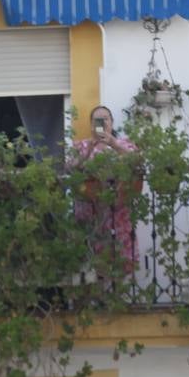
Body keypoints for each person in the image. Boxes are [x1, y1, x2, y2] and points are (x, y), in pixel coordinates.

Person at [71, 105, 139, 273]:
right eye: (97, 120)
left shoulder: (123, 144)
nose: (102, 123)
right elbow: (70, 167)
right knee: (91, 262)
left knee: (121, 260)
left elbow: (137, 161)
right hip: (90, 211)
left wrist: (114, 144)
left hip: (118, 211)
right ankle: (97, 297)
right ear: (92, 124)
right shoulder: (81, 146)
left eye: (105, 119)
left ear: (112, 123)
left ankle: (113, 297)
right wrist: (89, 150)